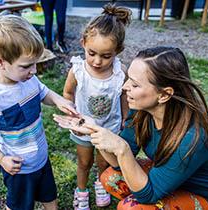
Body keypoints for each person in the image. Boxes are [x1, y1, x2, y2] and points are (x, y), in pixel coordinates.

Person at [54, 46, 208, 210]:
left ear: (164, 95)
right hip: (179, 180)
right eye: (128, 79)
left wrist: (122, 149)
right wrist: (95, 131)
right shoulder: (141, 109)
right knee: (111, 178)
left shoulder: (195, 134)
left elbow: (147, 195)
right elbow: (117, 165)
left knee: (132, 207)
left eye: (135, 84)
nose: (125, 87)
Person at [0, 14, 77, 210]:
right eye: (26, 66)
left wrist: (59, 100)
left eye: (35, 63)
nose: (34, 70)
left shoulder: (29, 80)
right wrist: (1, 159)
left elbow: (43, 92)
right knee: (20, 205)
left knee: (50, 197)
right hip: (18, 169)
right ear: (0, 62)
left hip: (41, 159)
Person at [62, 3, 131, 209]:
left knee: (104, 162)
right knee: (84, 162)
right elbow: (68, 92)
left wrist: (126, 119)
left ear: (117, 51)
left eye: (106, 56)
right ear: (83, 43)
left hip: (109, 128)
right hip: (84, 128)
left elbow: (124, 98)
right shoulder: (78, 70)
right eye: (92, 53)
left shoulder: (120, 73)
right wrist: (72, 114)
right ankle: (81, 191)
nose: (97, 61)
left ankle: (101, 183)